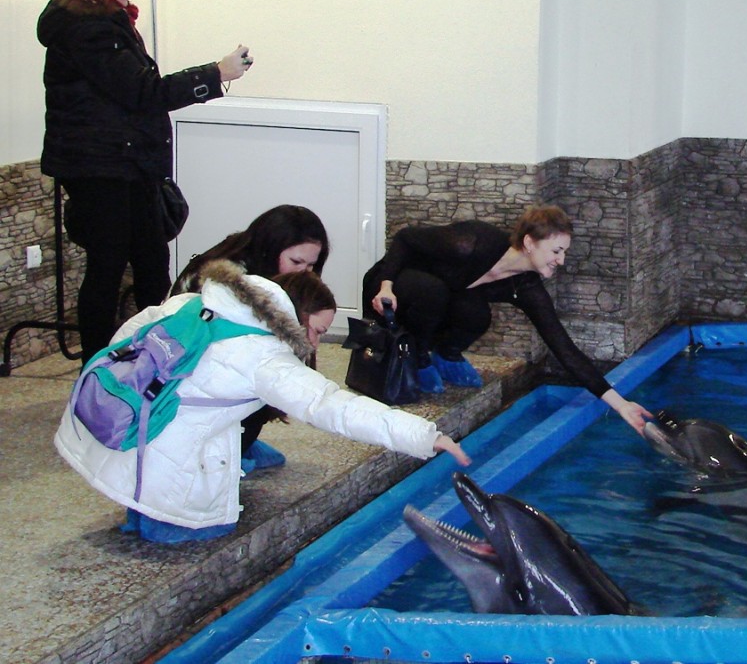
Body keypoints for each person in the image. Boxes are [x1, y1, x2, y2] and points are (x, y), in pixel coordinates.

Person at [54, 260, 471, 544]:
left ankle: (140, 516)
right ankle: (157, 523)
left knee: (162, 478)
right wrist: (424, 435)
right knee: (204, 530)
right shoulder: (265, 359)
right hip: (166, 454)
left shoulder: (198, 303)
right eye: (316, 330)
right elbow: (334, 407)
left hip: (125, 430)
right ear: (294, 316)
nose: (315, 342)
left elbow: (127, 338)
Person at [37, 0, 254, 365]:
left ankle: (158, 354)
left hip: (123, 162)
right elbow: (144, 92)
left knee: (151, 260)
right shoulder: (88, 28)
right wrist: (215, 73)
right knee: (109, 266)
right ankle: (98, 368)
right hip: (101, 167)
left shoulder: (103, 22)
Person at [363, 205, 653, 433]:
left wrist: (621, 404)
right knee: (434, 291)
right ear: (529, 242)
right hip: (393, 286)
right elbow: (405, 238)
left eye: (564, 252)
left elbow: (563, 347)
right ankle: (418, 357)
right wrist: (386, 285)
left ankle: (444, 354)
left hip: (435, 300)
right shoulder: (472, 242)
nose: (561, 260)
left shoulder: (525, 286)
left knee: (477, 314)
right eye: (556, 251)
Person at [170, 205, 331, 470]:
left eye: (311, 265)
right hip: (188, 375)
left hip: (204, 364)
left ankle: (240, 440)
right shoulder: (235, 281)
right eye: (296, 262)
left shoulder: (253, 260)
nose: (304, 273)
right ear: (270, 249)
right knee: (262, 380)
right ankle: (230, 449)